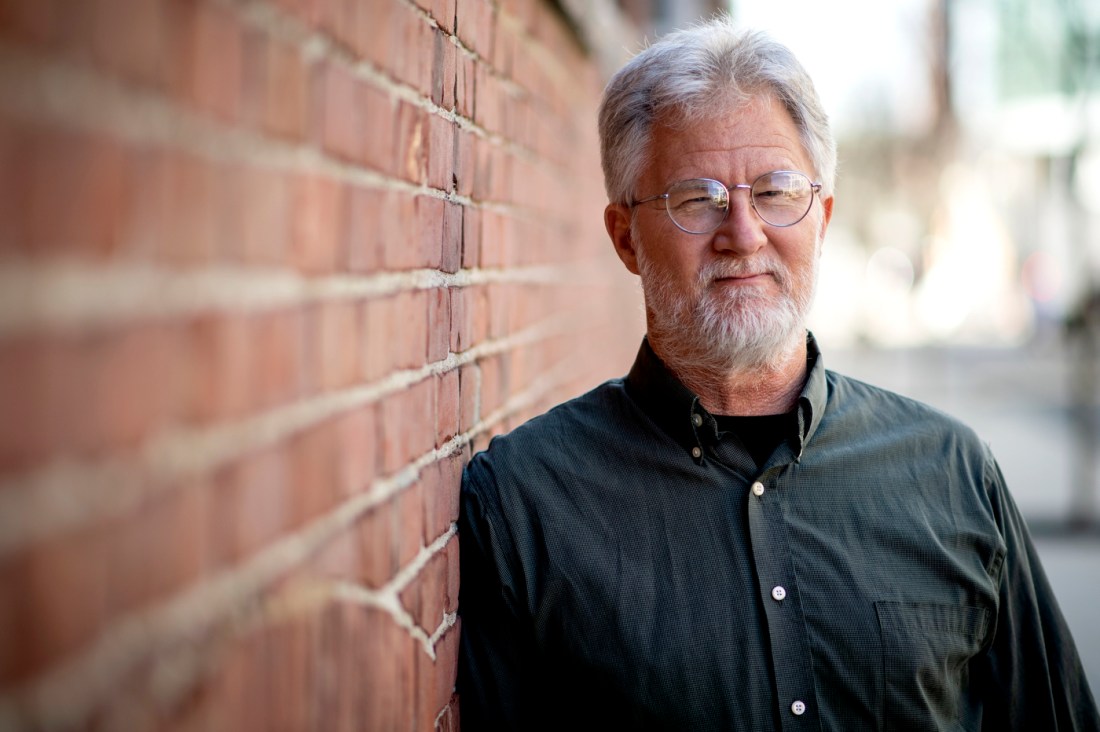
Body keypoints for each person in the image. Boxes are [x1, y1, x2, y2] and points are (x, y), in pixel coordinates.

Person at [456, 17, 1100, 731]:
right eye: (697, 199)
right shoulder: (526, 503)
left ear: (821, 218)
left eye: (775, 191)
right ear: (625, 237)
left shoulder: (952, 473)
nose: (744, 234)